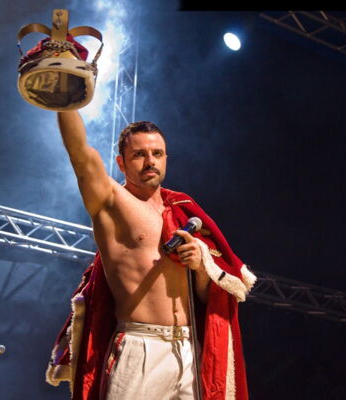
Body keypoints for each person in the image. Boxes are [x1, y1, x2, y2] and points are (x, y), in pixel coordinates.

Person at [45, 110, 257, 400]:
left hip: (187, 349)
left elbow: (206, 299)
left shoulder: (181, 210)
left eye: (157, 153)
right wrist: (65, 100)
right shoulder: (110, 201)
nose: (150, 161)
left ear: (166, 158)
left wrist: (199, 266)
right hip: (139, 346)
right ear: (121, 163)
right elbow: (80, 155)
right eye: (139, 154)